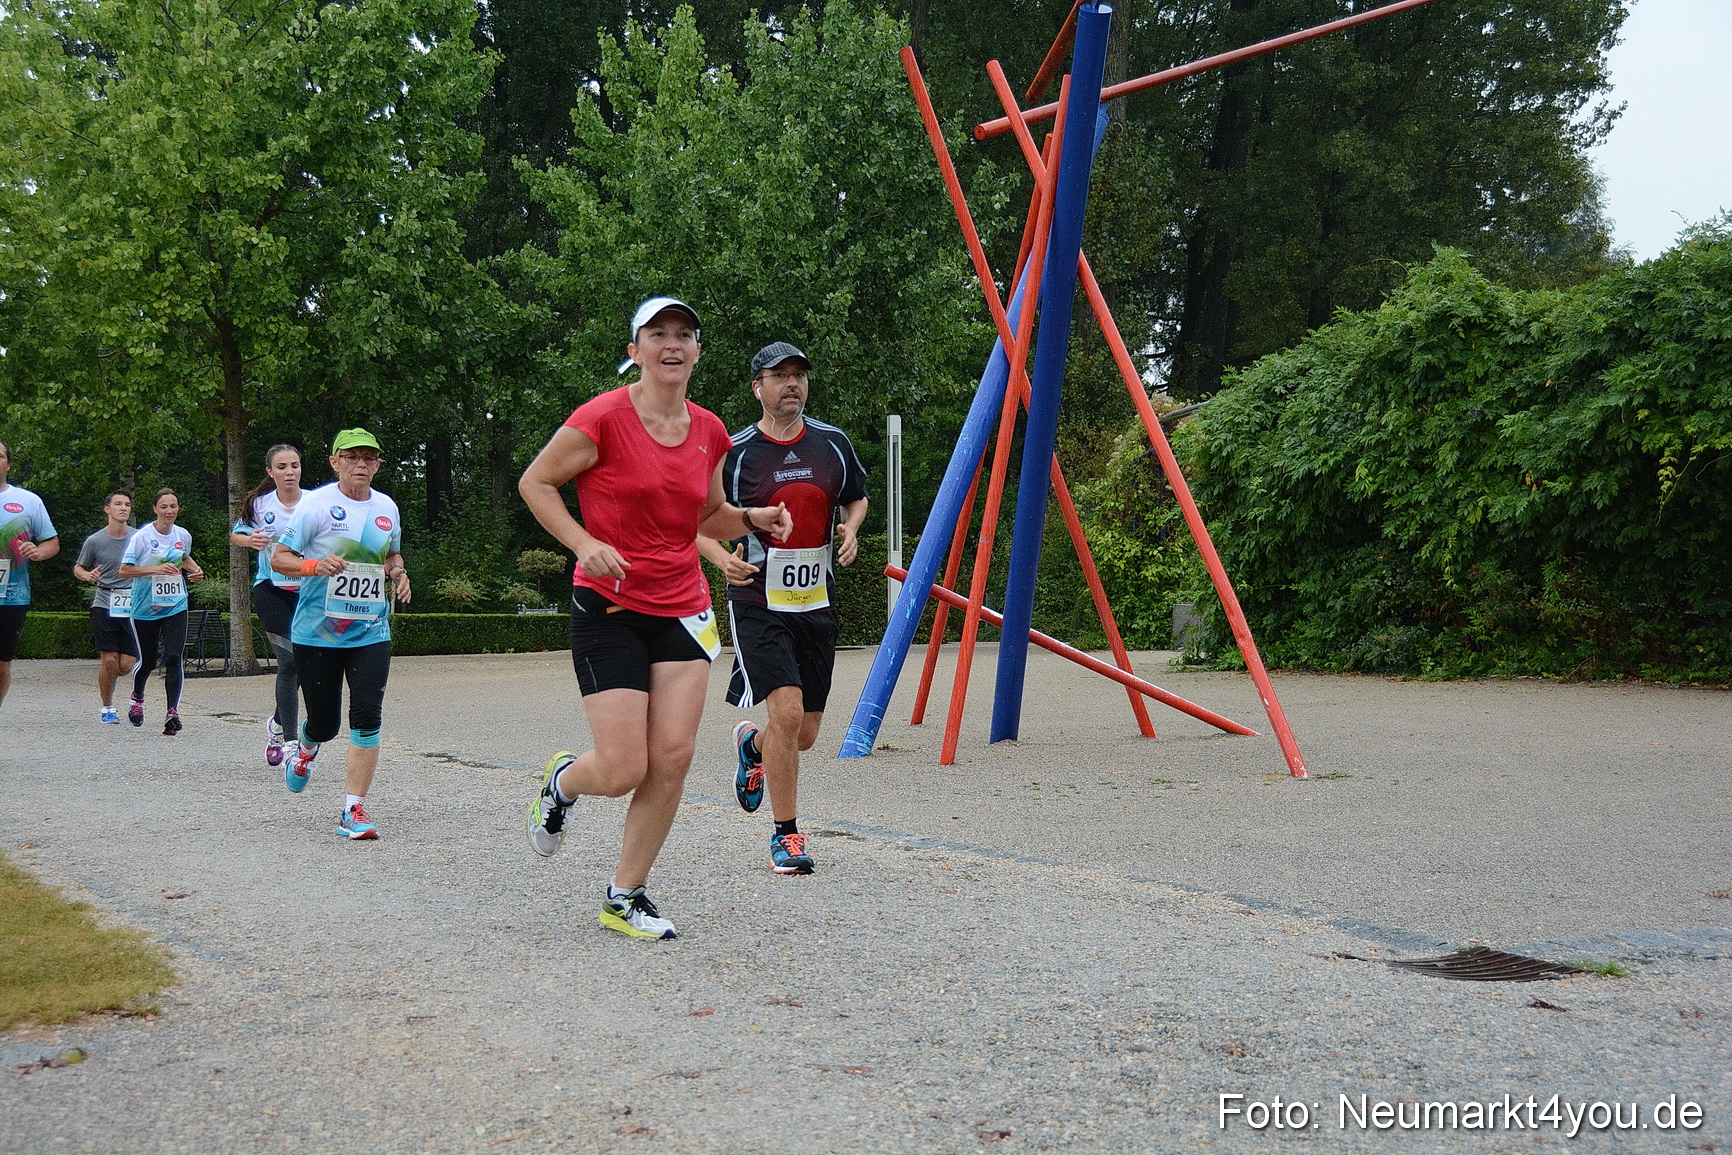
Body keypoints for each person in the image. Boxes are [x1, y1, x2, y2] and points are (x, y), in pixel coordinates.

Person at [519, 296, 791, 940]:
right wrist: (584, 543)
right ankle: (563, 781)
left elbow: (707, 515)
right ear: (636, 348)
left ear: (697, 351)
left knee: (672, 756)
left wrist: (752, 520)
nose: (672, 345)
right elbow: (537, 482)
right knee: (621, 769)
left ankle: (626, 894)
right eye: (658, 334)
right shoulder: (603, 417)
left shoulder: (710, 430)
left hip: (683, 605)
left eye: (684, 335)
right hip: (609, 606)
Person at [697, 342, 868, 875]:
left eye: (799, 376)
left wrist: (852, 529)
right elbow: (695, 520)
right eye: (779, 376)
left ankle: (753, 745)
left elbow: (855, 496)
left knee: (806, 733)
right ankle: (786, 836)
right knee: (788, 712)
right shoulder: (737, 450)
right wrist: (721, 559)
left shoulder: (832, 444)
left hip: (816, 597)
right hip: (757, 597)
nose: (791, 384)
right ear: (758, 387)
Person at [271, 429, 411, 841]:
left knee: (368, 716)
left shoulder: (386, 507)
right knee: (326, 723)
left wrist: (399, 573)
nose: (361, 465)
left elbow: (391, 554)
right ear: (335, 462)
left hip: (371, 629)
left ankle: (353, 808)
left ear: (378, 465)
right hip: (318, 633)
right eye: (352, 457)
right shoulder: (316, 504)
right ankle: (306, 748)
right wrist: (316, 566)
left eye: (369, 458)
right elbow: (280, 559)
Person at [230, 445, 305, 768]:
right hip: (270, 589)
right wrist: (250, 541)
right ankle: (290, 741)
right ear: (270, 472)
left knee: (304, 663)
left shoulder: (315, 503)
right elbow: (237, 534)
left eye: (295, 466)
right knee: (289, 661)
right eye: (282, 467)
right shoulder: (261, 504)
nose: (290, 472)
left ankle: (275, 724)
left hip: (307, 592)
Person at [118, 489, 204, 735]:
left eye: (173, 506)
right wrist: (153, 569)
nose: (169, 511)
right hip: (145, 608)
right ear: (155, 509)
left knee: (174, 657)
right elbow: (124, 570)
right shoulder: (143, 537)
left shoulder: (182, 535)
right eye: (164, 507)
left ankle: (172, 713)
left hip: (176, 605)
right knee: (148, 660)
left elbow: (185, 558)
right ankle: (137, 697)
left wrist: (195, 570)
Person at [0, 441, 62, 712]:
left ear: (8, 464)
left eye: (0, 456)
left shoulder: (28, 501)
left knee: (2, 664)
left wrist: (37, 552)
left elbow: (52, 542)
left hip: (12, 595)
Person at [72, 491, 140, 722]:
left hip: (131, 604)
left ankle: (110, 676)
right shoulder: (95, 541)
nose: (124, 508)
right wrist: (86, 575)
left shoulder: (138, 538)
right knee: (109, 659)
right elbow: (78, 567)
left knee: (125, 665)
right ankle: (107, 708)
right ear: (107, 509)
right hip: (104, 602)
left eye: (127, 504)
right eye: (118, 504)